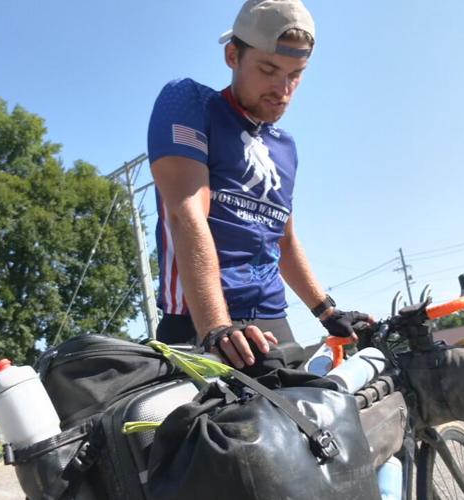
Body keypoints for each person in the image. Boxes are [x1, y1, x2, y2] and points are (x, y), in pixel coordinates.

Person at [147, 0, 371, 369]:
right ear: (233, 55)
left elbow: (283, 239)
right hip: (198, 322)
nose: (282, 88)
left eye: (295, 74)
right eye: (269, 69)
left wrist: (326, 311)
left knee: (324, 419)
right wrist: (216, 327)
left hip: (271, 319)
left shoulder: (285, 146)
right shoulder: (189, 102)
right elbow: (186, 213)